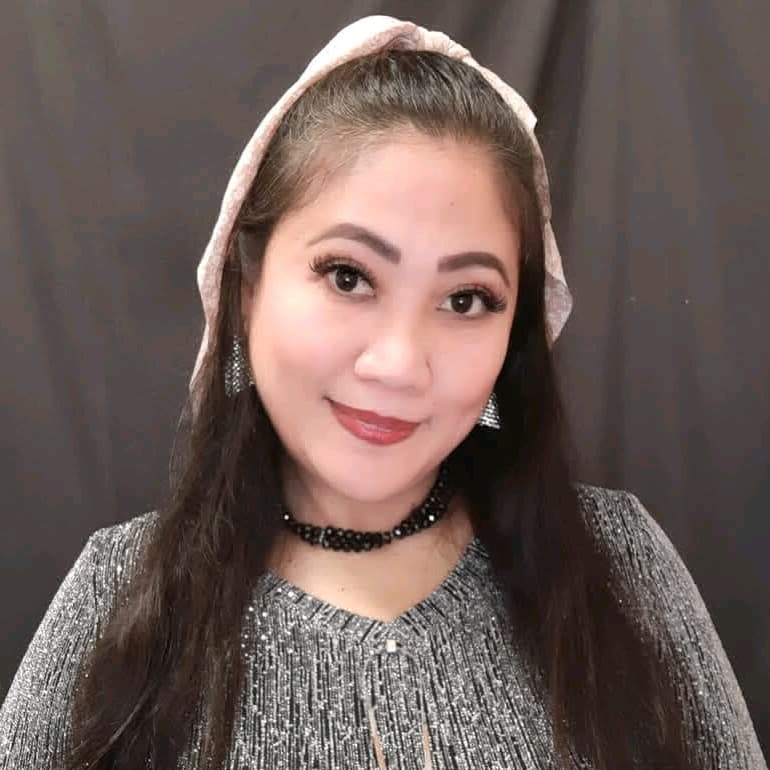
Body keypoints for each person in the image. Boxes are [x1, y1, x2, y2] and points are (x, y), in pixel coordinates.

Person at [0, 14, 765, 770]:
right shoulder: (116, 595)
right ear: (246, 289)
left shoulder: (621, 567)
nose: (399, 365)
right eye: (348, 276)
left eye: (466, 299)